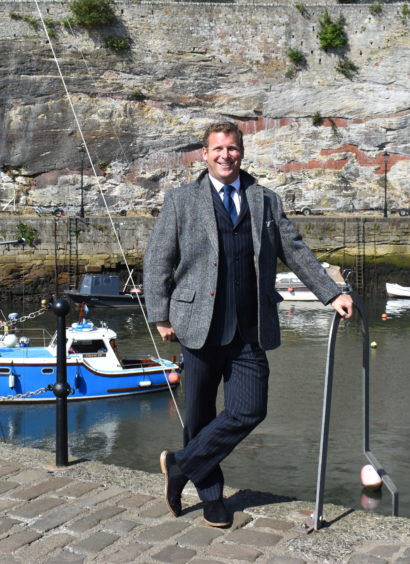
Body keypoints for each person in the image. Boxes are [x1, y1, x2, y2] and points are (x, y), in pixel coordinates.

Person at [143, 121, 354, 527]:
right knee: (200, 414)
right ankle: (211, 497)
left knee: (250, 409)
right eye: (218, 149)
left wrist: (332, 292)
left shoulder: (265, 200)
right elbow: (157, 261)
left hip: (250, 328)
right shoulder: (181, 201)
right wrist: (161, 314)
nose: (226, 155)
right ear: (204, 154)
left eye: (233, 148)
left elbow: (295, 251)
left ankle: (181, 465)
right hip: (196, 324)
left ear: (242, 152)